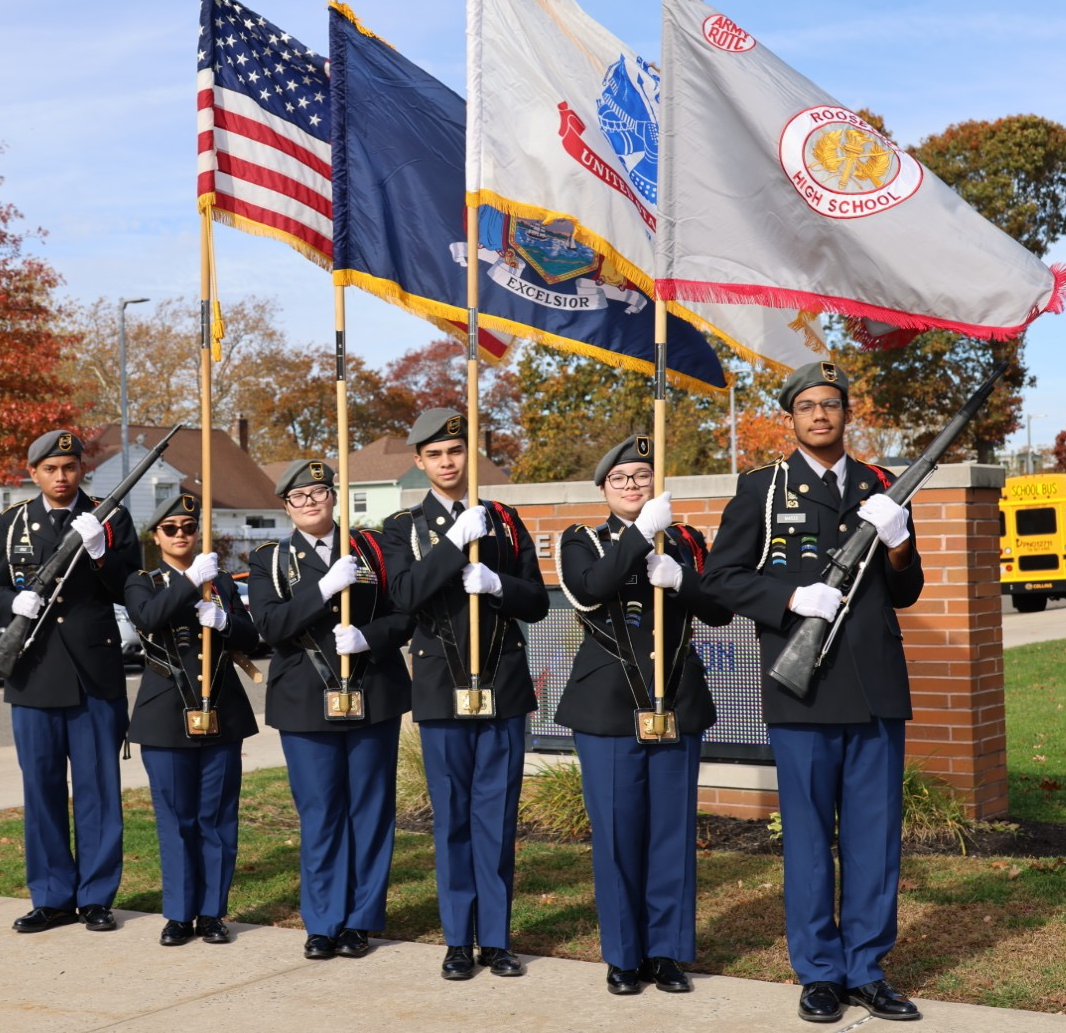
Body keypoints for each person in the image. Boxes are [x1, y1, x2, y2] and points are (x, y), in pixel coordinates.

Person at [702, 362, 924, 1023]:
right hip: (804, 691)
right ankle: (819, 971)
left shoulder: (882, 486)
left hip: (876, 689)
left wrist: (899, 541)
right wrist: (792, 596)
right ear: (791, 418)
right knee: (806, 836)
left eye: (831, 404)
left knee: (875, 837)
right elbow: (720, 581)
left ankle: (867, 967)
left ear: (846, 413)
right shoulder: (763, 490)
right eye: (807, 406)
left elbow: (906, 591)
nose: (820, 414)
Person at [555, 435, 732, 996]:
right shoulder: (580, 539)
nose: (632, 485)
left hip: (675, 700)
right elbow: (590, 589)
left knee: (671, 835)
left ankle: (667, 952)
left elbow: (720, 610)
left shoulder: (683, 539)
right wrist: (635, 538)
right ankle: (624, 955)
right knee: (617, 834)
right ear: (605, 489)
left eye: (641, 476)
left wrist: (680, 577)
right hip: (608, 709)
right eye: (621, 479)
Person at [380, 409, 549, 980]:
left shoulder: (502, 518)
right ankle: (458, 939)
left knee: (496, 817)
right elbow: (404, 594)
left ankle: (496, 939)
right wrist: (454, 543)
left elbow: (538, 602)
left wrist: (498, 583)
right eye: (435, 454)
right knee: (452, 817)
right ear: (420, 462)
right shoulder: (402, 526)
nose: (448, 462)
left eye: (455, 452)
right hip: (441, 689)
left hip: (500, 684)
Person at [248, 460, 413, 962]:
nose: (311, 501)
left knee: (370, 812)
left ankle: (360, 921)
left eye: (319, 491)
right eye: (299, 497)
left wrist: (370, 636)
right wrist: (320, 591)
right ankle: (322, 922)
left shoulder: (372, 549)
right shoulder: (270, 560)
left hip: (372, 694)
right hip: (305, 704)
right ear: (287, 506)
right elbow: (270, 627)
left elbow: (403, 614)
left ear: (333, 495)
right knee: (320, 814)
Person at [0, 430, 140, 933]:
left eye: (69, 467)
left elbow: (131, 587)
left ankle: (96, 897)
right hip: (34, 672)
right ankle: (51, 897)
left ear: (80, 472)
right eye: (50, 469)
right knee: (43, 790)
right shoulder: (13, 524)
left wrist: (100, 551)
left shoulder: (111, 518)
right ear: (34, 473)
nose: (60, 476)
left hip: (94, 674)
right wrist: (14, 603)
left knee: (98, 791)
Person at [124, 492, 260, 946]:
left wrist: (222, 619)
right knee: (176, 818)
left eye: (188, 527)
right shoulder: (141, 580)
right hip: (165, 714)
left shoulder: (220, 581)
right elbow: (147, 616)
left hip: (220, 708)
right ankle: (180, 914)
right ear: (155, 535)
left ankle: (213, 913)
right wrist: (188, 584)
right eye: (171, 529)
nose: (181, 535)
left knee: (217, 817)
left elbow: (253, 636)